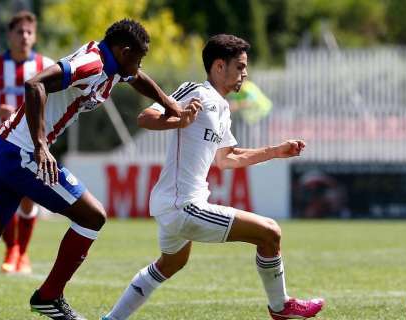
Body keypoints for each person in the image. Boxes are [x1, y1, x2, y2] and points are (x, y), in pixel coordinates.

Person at [0, 19, 183, 320]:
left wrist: (168, 102)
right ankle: (49, 296)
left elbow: (136, 77)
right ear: (124, 51)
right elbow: (35, 84)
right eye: (139, 57)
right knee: (93, 216)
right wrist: (41, 144)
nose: (139, 64)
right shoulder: (92, 64)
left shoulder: (114, 64)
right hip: (21, 152)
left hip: (3, 144)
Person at [102, 34, 325, 320]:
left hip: (174, 203)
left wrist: (275, 151)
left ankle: (111, 319)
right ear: (219, 66)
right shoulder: (196, 91)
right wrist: (179, 119)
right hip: (183, 205)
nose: (245, 73)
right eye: (240, 67)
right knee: (269, 233)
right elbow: (145, 117)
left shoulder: (221, 107)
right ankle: (281, 307)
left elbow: (227, 158)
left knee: (170, 264)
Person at [0, 10, 54, 274]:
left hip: (33, 142)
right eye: (19, 32)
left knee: (29, 197)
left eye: (29, 32)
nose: (24, 37)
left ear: (35, 36)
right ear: (9, 35)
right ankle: (12, 251)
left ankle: (23, 252)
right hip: (1, 142)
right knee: (6, 196)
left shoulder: (45, 64)